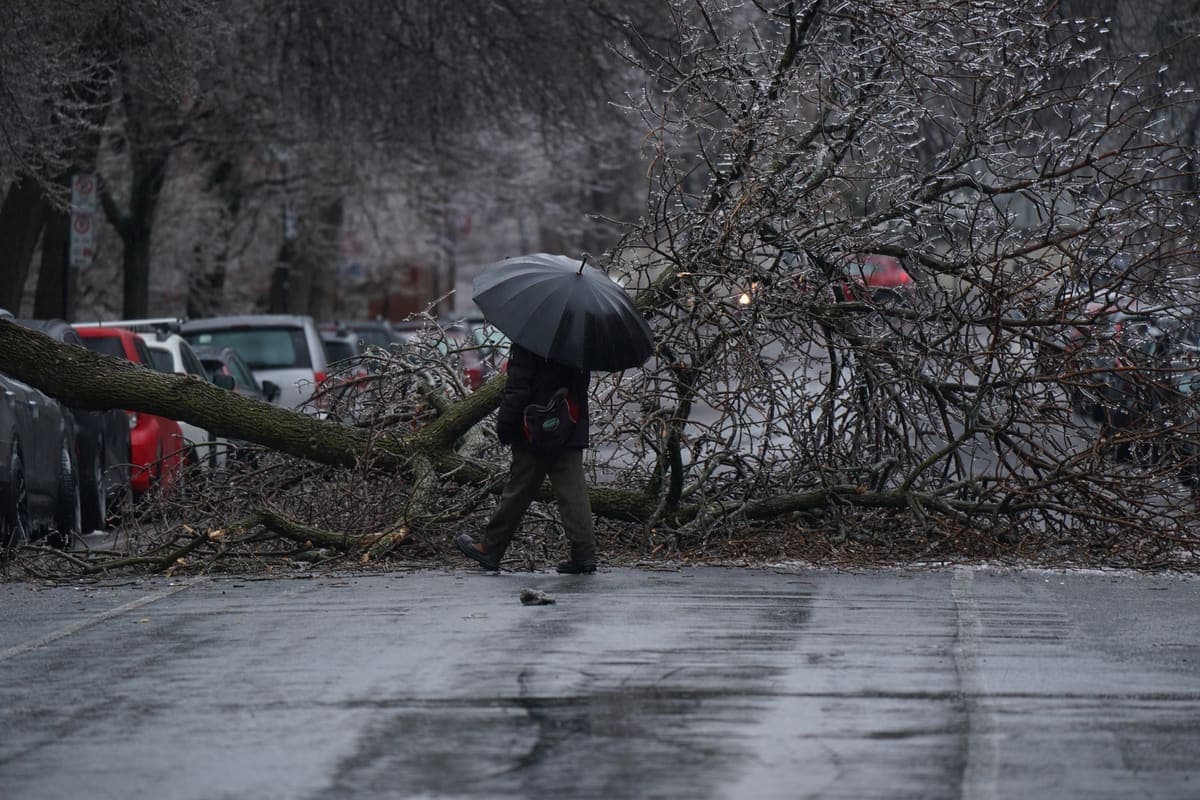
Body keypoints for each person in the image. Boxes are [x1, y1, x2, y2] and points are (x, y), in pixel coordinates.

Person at [455, 342, 596, 574]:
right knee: (573, 492)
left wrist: (506, 428)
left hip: (534, 428)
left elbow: (518, 389)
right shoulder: (579, 341)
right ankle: (584, 555)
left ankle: (490, 548)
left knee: (518, 490)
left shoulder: (531, 341)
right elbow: (581, 385)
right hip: (569, 423)